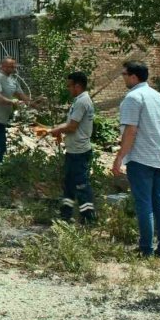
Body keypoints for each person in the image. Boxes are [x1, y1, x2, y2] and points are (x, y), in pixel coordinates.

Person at [113, 60, 160, 259]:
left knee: (144, 204)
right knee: (159, 203)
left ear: (133, 77)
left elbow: (131, 131)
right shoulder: (159, 97)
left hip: (140, 158)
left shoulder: (133, 98)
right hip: (159, 156)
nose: (123, 78)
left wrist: (120, 157)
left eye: (124, 75)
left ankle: (146, 249)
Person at [49, 71, 96, 223]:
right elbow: (70, 124)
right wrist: (58, 129)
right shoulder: (79, 100)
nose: (68, 89)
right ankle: (66, 214)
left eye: (69, 86)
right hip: (73, 150)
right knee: (69, 184)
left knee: (81, 185)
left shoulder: (82, 101)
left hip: (79, 152)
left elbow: (72, 126)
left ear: (77, 86)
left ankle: (88, 217)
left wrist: (57, 130)